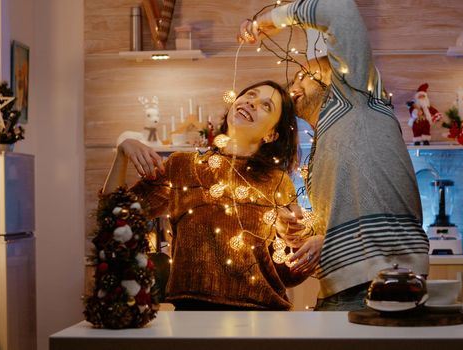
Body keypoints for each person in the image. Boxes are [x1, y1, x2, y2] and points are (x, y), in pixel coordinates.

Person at [239, 0, 430, 311]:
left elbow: (339, 10)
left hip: (386, 281)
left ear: (333, 74)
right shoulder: (321, 148)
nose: (293, 85)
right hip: (338, 289)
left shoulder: (355, 93)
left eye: (301, 76)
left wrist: (266, 23)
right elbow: (340, 226)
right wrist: (308, 235)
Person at [102, 80, 313, 310]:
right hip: (192, 314)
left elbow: (287, 273)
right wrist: (122, 150)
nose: (252, 103)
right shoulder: (182, 167)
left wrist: (294, 240)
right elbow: (114, 220)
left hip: (261, 314)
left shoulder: (277, 181)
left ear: (272, 134)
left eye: (266, 106)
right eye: (250, 95)